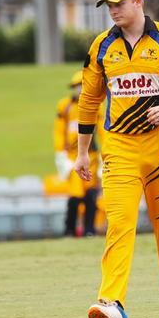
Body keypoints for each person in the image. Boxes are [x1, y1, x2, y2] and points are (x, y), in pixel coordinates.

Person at [74, 0, 159, 318]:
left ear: (138, 2)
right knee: (119, 223)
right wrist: (83, 153)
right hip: (119, 147)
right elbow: (89, 100)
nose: (113, 10)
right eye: (108, 5)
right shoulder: (101, 46)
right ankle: (111, 304)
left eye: (119, 3)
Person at [53, 71, 101, 237]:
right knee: (74, 194)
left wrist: (106, 155)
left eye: (81, 85)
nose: (79, 89)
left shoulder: (97, 105)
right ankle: (69, 230)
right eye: (76, 86)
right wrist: (60, 154)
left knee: (91, 194)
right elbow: (59, 131)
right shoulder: (65, 106)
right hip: (72, 156)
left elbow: (103, 130)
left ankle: (89, 230)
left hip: (92, 155)